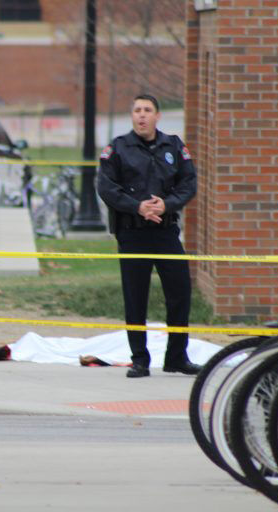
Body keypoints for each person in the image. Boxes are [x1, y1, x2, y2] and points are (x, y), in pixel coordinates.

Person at [96, 94, 201, 379]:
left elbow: (189, 183)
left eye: (148, 110)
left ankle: (177, 358)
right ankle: (140, 360)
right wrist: (138, 207)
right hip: (132, 234)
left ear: (157, 116)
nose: (142, 115)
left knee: (180, 293)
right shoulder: (118, 148)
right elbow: (106, 187)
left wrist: (167, 204)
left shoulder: (174, 146)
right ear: (132, 116)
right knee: (135, 298)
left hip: (166, 231)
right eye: (137, 111)